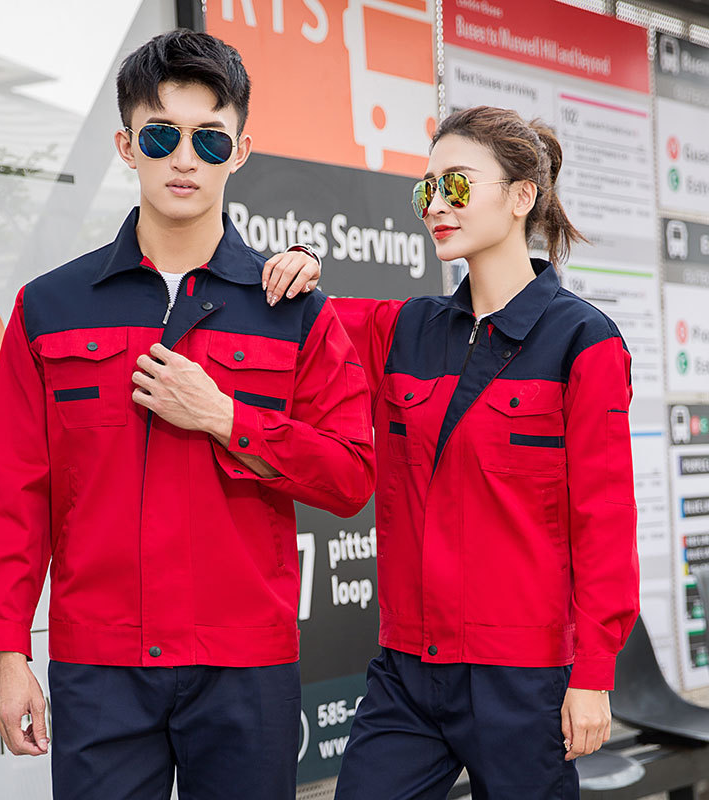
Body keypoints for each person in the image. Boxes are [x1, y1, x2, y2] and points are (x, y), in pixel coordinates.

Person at [0, 29, 375, 800]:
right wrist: (9, 653)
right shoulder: (50, 307)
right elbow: (14, 493)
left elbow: (350, 476)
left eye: (208, 139)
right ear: (127, 146)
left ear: (240, 151)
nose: (184, 159)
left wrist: (227, 417)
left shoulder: (292, 309)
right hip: (101, 668)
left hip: (245, 669)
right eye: (161, 136)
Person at [264, 105, 639, 799]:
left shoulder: (583, 342)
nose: (436, 205)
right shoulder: (403, 330)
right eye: (427, 189)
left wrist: (593, 675)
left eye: (457, 185)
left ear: (521, 197)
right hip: (407, 671)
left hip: (524, 678)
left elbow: (604, 521)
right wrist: (302, 261)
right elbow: (297, 322)